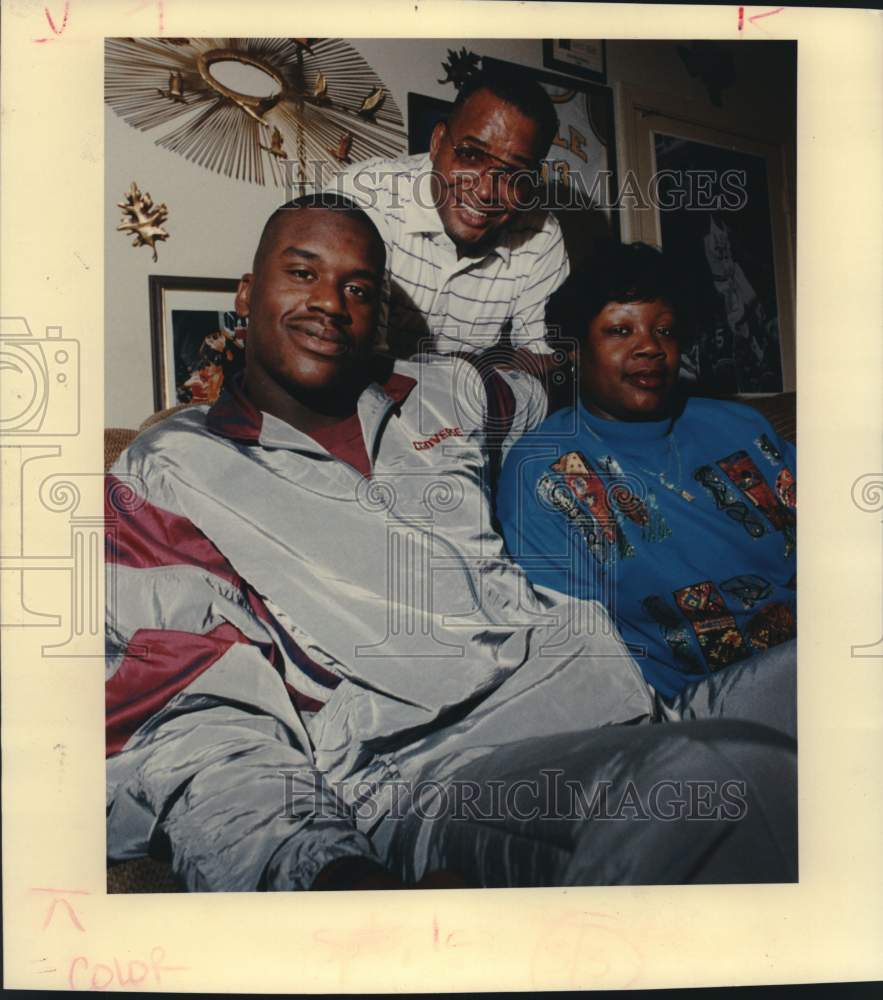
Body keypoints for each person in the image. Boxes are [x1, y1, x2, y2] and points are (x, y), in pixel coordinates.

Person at [106, 200, 796, 892]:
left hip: (614, 693)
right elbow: (191, 724)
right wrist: (328, 875)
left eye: (358, 287)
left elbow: (557, 369)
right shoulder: (171, 469)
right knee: (719, 785)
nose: (330, 303)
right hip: (440, 775)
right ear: (248, 293)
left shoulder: (445, 395)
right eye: (302, 272)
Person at [497, 241, 796, 714]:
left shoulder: (740, 426)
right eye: (620, 330)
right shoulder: (543, 468)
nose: (650, 347)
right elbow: (577, 646)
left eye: (665, 331)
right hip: (700, 702)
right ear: (573, 350)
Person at [329, 66, 569, 376]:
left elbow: (541, 367)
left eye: (513, 174)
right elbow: (343, 358)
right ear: (437, 141)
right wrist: (476, 369)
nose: (484, 191)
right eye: (470, 155)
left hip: (465, 418)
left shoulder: (541, 235)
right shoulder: (365, 197)